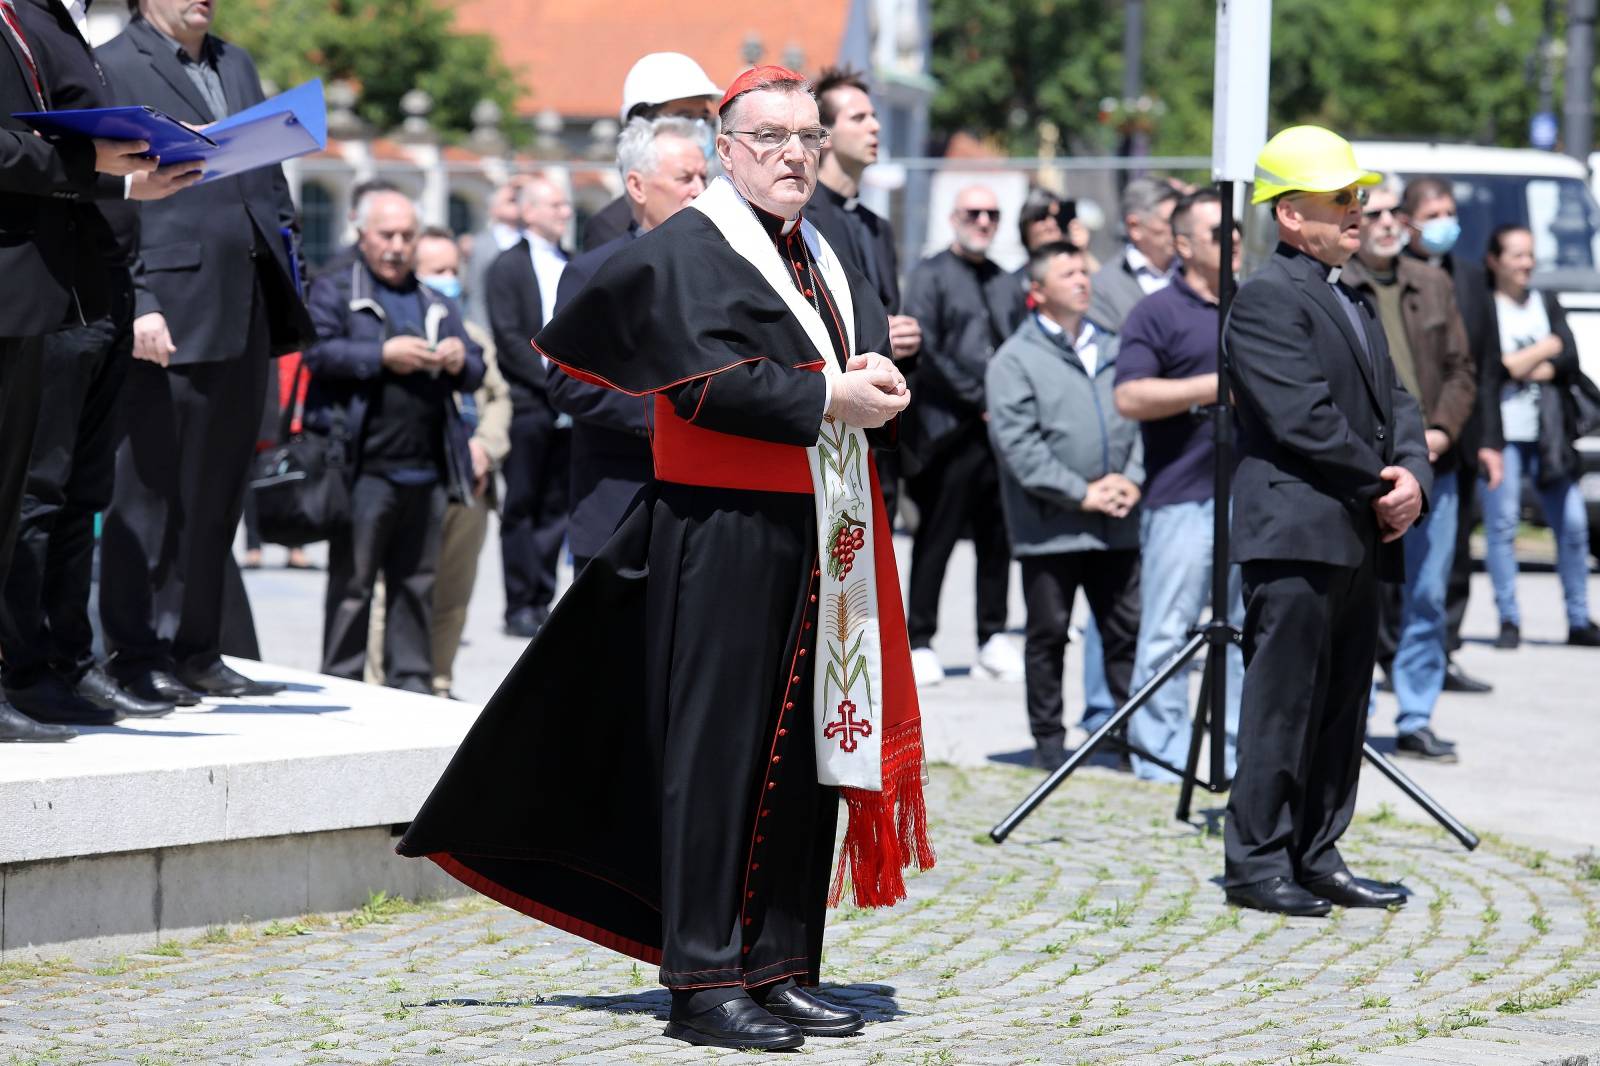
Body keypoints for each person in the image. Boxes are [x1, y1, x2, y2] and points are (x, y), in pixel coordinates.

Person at [397, 66, 933, 1052]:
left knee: (807, 745)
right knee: (717, 751)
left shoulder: (825, 242)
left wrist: (870, 373)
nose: (791, 154)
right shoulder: (693, 244)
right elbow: (698, 385)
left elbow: (827, 353)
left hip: (817, 523)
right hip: (718, 522)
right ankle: (700, 976)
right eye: (767, 138)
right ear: (725, 148)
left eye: (806, 138)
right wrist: (827, 399)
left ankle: (779, 961)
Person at [1224, 126, 1430, 917]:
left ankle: (1317, 851)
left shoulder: (1354, 295)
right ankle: (1258, 862)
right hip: (1298, 532)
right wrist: (1382, 483)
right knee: (1283, 704)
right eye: (1340, 198)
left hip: (1355, 532)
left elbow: (1397, 403)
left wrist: (1410, 471)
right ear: (1288, 215)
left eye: (1358, 196)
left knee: (1343, 708)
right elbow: (1300, 418)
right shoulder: (1268, 295)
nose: (1358, 210)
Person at [96, 0, 315, 707]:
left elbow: (268, 174)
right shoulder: (117, 64)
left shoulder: (236, 61)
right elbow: (110, 195)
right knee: (153, 489)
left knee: (219, 491)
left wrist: (287, 245)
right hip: (170, 307)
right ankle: (136, 652)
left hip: (247, 302)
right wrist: (140, 299)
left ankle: (198, 647)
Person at [0, 0, 202, 729]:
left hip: (91, 283)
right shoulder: (26, 21)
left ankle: (66, 660)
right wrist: (99, 167)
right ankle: (24, 666)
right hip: (40, 286)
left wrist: (127, 176)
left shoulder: (61, 23)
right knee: (35, 494)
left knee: (81, 490)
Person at [304, 193, 484, 692]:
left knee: (416, 586)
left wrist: (454, 359)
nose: (397, 246)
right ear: (361, 234)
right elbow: (317, 353)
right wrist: (381, 355)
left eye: (407, 236)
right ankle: (341, 683)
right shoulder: (337, 289)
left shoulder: (434, 299)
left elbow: (476, 368)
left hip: (425, 469)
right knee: (353, 587)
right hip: (363, 469)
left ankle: (412, 687)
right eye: (387, 235)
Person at [986, 241, 1143, 772]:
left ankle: (1125, 739)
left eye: (1084, 269)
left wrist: (1132, 479)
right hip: (1050, 527)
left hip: (1118, 521)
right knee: (1049, 633)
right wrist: (1082, 492)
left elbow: (1141, 418)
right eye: (1067, 272)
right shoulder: (1015, 359)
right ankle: (1049, 742)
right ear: (1038, 291)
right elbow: (1019, 446)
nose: (1082, 279)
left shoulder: (1119, 347)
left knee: (1125, 631)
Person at [1343, 183, 1477, 762]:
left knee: (1426, 597)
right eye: (1373, 212)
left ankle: (1416, 715)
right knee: (1361, 599)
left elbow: (1460, 369)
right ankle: (1355, 718)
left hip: (1432, 468)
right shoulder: (1338, 285)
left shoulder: (1433, 281)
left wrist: (1441, 432)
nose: (1388, 222)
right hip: (1364, 470)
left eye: (1397, 212)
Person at [1113, 188, 1243, 783]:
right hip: (1182, 498)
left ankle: (1237, 755)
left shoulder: (1255, 306)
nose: (1234, 241)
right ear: (1185, 244)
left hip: (1253, 499)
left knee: (1246, 633)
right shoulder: (1156, 312)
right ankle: (1161, 756)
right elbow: (1130, 395)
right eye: (1219, 233)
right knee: (1168, 630)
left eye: (1237, 230)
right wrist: (1209, 388)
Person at [546, 116, 706, 572]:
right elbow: (566, 383)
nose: (698, 189)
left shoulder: (728, 267)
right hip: (619, 499)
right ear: (637, 186)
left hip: (705, 505)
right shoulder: (594, 270)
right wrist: (662, 411)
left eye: (703, 177)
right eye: (684, 178)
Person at [365, 227, 511, 697]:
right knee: (394, 591)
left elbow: (499, 399)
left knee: (453, 594)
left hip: (471, 486)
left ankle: (439, 681)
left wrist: (485, 447)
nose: (448, 280)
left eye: (454, 271)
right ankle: (380, 682)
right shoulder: (394, 332)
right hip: (418, 477)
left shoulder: (473, 337)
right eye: (437, 271)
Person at [901, 185, 1028, 686]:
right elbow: (926, 351)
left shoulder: (1004, 281)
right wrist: (982, 399)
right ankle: (921, 639)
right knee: (937, 536)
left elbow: (1019, 344)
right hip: (947, 431)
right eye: (973, 212)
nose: (983, 221)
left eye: (992, 214)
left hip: (998, 433)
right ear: (954, 217)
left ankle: (992, 635)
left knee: (998, 537)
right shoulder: (930, 275)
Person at [1398, 177, 1504, 694]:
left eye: (1449, 212)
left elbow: (1483, 368)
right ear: (1409, 219)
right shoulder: (1389, 280)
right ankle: (1389, 656)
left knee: (1454, 554)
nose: (1445, 222)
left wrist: (1488, 440)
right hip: (1404, 443)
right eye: (1433, 212)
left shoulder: (1469, 278)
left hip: (1455, 442)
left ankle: (1446, 649)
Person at [805, 66, 921, 520]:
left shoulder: (877, 225)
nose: (875, 126)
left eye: (874, 116)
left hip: (880, 429)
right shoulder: (805, 220)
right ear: (825, 136)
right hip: (830, 425)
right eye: (859, 118)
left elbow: (884, 308)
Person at [1480, 224, 1600, 649]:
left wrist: (1523, 362)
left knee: (1571, 526)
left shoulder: (1546, 302)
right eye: (1517, 255)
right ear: (1495, 260)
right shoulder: (1484, 306)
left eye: (1531, 255)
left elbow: (1567, 356)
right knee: (1503, 525)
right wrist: (1538, 352)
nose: (1527, 264)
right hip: (1503, 437)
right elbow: (1492, 368)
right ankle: (1509, 620)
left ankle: (1579, 618)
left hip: (1549, 434)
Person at [488, 176, 572, 639]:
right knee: (521, 503)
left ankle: (541, 597)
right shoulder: (508, 266)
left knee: (556, 504)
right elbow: (508, 336)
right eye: (556, 204)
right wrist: (549, 383)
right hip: (528, 402)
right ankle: (518, 602)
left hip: (568, 405)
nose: (564, 212)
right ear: (530, 210)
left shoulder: (571, 263)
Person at [580, 51, 719, 252]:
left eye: (704, 118)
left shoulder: (720, 214)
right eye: (684, 117)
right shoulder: (610, 228)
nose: (698, 128)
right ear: (642, 123)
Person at [1086, 177, 1180, 332]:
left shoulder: (1195, 274)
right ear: (1134, 227)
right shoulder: (1103, 288)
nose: (1178, 230)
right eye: (1168, 222)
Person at [463, 176, 526, 328]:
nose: (516, 203)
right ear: (493, 209)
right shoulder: (480, 245)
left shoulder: (531, 241)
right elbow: (475, 292)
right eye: (510, 201)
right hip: (489, 329)